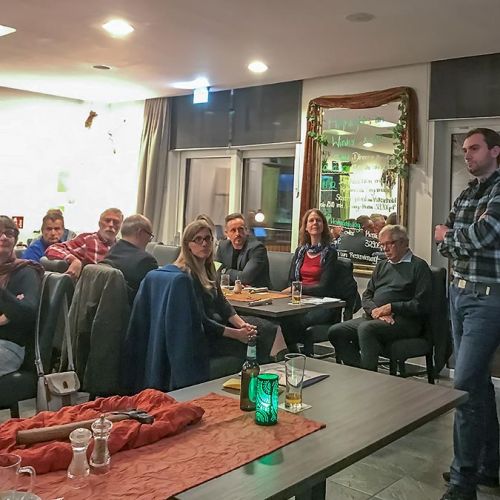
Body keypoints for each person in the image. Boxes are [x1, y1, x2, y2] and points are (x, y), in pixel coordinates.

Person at [435, 128, 500, 500]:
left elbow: (484, 235)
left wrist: (450, 236)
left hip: (488, 297)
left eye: (474, 148)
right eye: (464, 150)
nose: (467, 155)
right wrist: (452, 238)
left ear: (495, 150)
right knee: (477, 384)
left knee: (463, 385)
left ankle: (463, 482)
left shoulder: (499, 190)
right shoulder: (467, 193)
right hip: (457, 293)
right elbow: (444, 243)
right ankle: (487, 466)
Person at [174, 220, 279, 364]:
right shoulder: (186, 274)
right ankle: (259, 371)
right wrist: (237, 334)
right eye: (198, 239)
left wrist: (242, 325)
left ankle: (281, 368)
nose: (204, 244)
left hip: (218, 323)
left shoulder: (208, 267)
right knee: (256, 341)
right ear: (188, 245)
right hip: (204, 334)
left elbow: (222, 304)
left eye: (208, 239)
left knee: (268, 328)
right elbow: (202, 321)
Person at [329, 224, 431, 371]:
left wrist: (391, 308)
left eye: (389, 244)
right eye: (382, 245)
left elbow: (421, 304)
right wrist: (376, 311)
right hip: (375, 317)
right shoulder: (382, 265)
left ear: (404, 243)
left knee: (366, 329)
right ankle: (360, 372)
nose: (385, 249)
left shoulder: (419, 266)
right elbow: (366, 296)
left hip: (404, 321)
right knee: (336, 331)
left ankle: (369, 376)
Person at [281, 208, 358, 350]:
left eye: (318, 220)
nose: (315, 223)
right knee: (280, 317)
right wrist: (295, 290)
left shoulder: (330, 252)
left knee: (293, 320)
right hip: (299, 301)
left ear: (323, 226)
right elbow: (291, 280)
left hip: (322, 305)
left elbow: (324, 287)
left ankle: (296, 353)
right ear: (306, 227)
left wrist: (297, 289)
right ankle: (291, 352)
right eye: (311, 220)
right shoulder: (300, 251)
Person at [0, 216, 44, 377]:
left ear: (15, 240)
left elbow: (27, 311)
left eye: (9, 233)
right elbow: (15, 309)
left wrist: (8, 305)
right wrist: (10, 309)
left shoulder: (26, 272)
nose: (3, 237)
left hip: (8, 346)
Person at [45, 208, 123, 279]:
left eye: (116, 222)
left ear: (121, 226)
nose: (111, 225)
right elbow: (53, 248)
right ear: (99, 223)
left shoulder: (121, 247)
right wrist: (74, 260)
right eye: (107, 221)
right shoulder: (87, 240)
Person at [102, 214, 158, 303]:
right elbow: (153, 299)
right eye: (150, 235)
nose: (149, 240)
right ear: (140, 232)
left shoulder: (111, 251)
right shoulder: (146, 261)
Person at [216, 213, 271, 288]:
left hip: (256, 293)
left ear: (246, 230)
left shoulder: (257, 248)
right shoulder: (223, 246)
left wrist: (224, 271)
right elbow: (215, 271)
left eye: (240, 229)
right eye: (233, 230)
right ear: (226, 233)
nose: (237, 234)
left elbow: (245, 278)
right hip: (231, 291)